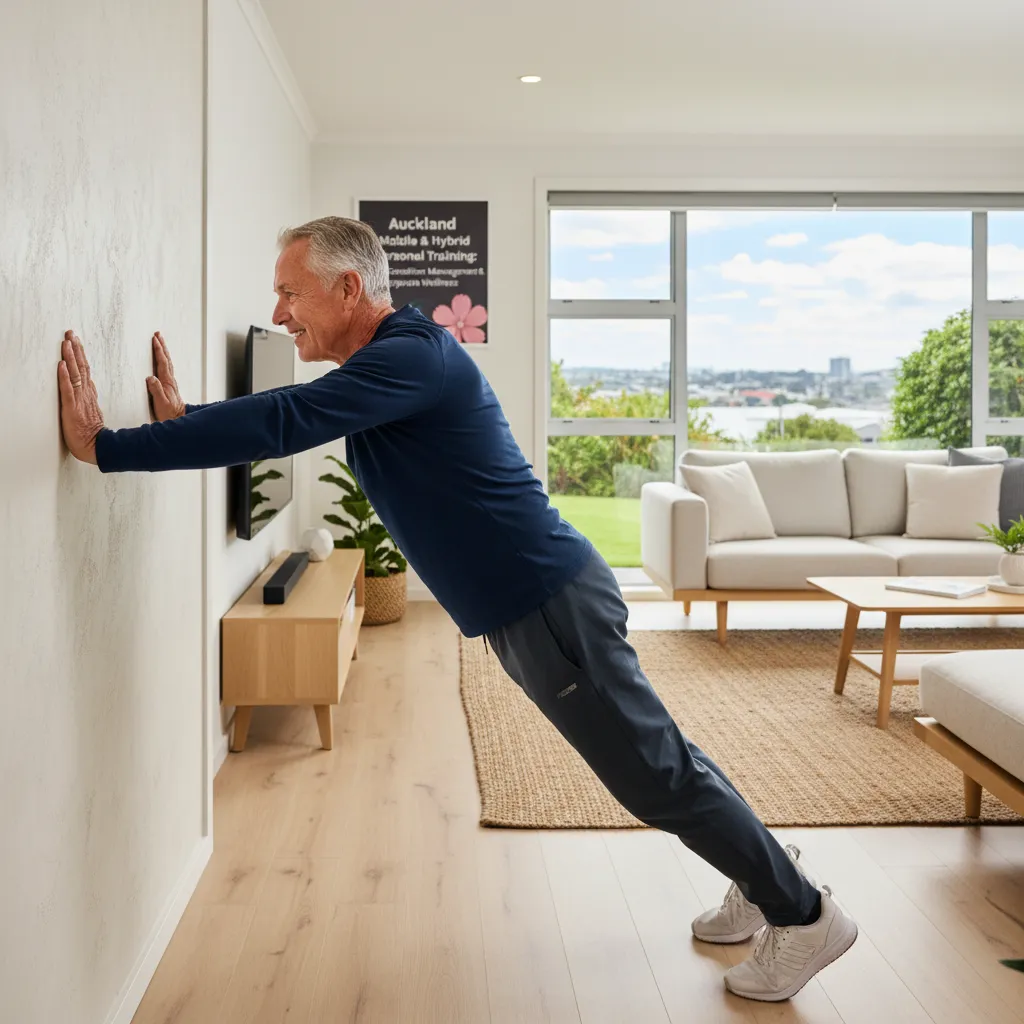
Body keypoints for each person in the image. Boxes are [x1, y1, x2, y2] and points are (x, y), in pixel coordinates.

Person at [57, 216, 857, 1002]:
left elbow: (285, 418)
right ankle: (763, 878)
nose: (279, 315)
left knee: (652, 775)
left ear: (347, 287)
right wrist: (189, 421)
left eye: (289, 293)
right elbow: (290, 419)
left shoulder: (411, 358)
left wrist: (109, 446)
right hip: (535, 604)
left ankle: (805, 914)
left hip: (546, 605)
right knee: (661, 757)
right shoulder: (394, 364)